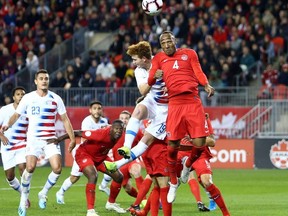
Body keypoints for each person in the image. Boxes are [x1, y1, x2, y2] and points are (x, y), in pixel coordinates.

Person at [147, 31, 215, 203]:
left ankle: (187, 165)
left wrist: (206, 85)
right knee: (172, 146)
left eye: (168, 41)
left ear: (174, 41)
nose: (166, 45)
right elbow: (149, 80)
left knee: (199, 143)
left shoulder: (189, 53)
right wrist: (154, 76)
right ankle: (174, 183)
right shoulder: (158, 59)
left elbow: (199, 72)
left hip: (192, 101)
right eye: (163, 43)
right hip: (175, 103)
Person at [1, 69, 76, 216]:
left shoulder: (56, 99)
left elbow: (65, 119)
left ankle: (43, 192)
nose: (44, 81)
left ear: (48, 81)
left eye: (46, 78)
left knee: (57, 168)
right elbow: (16, 115)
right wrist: (7, 125)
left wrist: (72, 139)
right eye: (41, 78)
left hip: (50, 139)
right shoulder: (28, 98)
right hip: (33, 140)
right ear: (36, 81)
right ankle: (23, 199)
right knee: (30, 167)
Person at [104, 41, 168, 175]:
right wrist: (153, 78)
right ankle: (127, 147)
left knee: (146, 140)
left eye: (135, 59)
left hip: (167, 109)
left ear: (144, 58)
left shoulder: (162, 62)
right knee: (138, 110)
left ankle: (117, 164)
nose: (133, 62)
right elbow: (143, 90)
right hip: (152, 100)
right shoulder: (139, 71)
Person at [48, 120, 125, 216]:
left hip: (101, 157)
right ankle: (90, 211)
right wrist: (58, 140)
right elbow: (77, 132)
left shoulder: (120, 134)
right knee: (93, 176)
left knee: (119, 176)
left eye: (120, 129)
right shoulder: (100, 134)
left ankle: (111, 203)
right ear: (111, 129)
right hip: (84, 154)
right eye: (116, 129)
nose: (118, 131)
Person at [56, 101, 108, 204]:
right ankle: (60, 192)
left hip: (98, 154)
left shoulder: (104, 122)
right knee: (75, 177)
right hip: (84, 152)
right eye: (94, 108)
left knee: (112, 169)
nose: (97, 110)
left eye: (99, 108)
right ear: (90, 110)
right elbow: (85, 139)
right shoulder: (87, 121)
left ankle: (105, 189)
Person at [179, 113, 230, 216]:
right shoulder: (175, 115)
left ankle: (224, 212)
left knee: (206, 181)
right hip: (181, 153)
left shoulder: (202, 117)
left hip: (200, 154)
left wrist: (195, 140)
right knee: (163, 179)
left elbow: (212, 142)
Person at [105, 110, 144, 214]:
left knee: (136, 171)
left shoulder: (137, 131)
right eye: (122, 118)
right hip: (119, 163)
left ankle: (142, 201)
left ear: (131, 120)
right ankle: (111, 203)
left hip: (132, 159)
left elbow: (145, 142)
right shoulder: (113, 131)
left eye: (126, 118)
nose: (124, 120)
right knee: (127, 187)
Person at [0, 87, 30, 208]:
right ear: (13, 97)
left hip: (22, 144)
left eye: (23, 94)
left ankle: (24, 199)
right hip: (7, 147)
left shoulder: (28, 111)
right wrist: (1, 136)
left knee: (23, 168)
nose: (21, 96)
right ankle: (22, 193)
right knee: (10, 176)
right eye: (18, 94)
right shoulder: (5, 110)